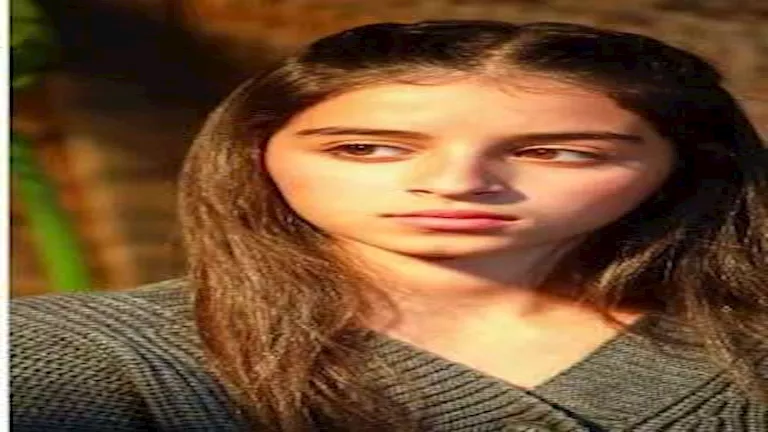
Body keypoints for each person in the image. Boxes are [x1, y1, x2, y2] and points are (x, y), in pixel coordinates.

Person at [11, 20, 768, 432]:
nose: (456, 182)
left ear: (688, 164)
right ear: (255, 151)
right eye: (366, 148)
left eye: (557, 151)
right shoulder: (67, 357)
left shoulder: (746, 350)